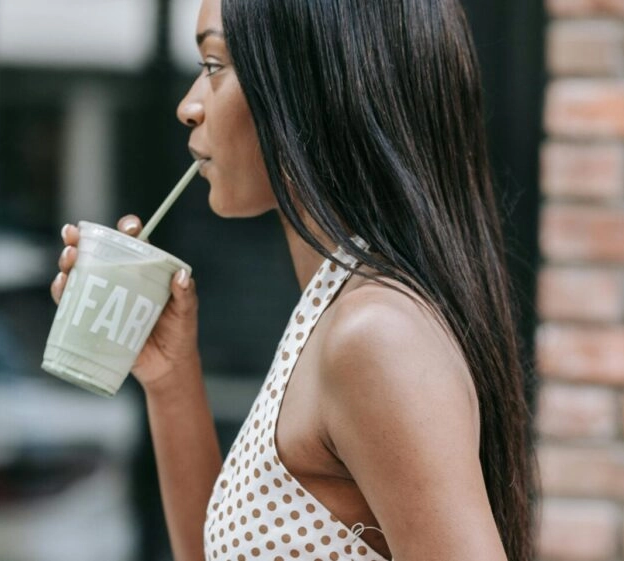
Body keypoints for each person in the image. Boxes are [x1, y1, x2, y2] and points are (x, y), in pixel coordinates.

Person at [52, 0, 537, 559]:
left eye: (213, 66)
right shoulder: (337, 304)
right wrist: (169, 376)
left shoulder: (374, 335)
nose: (188, 106)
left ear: (312, 83)